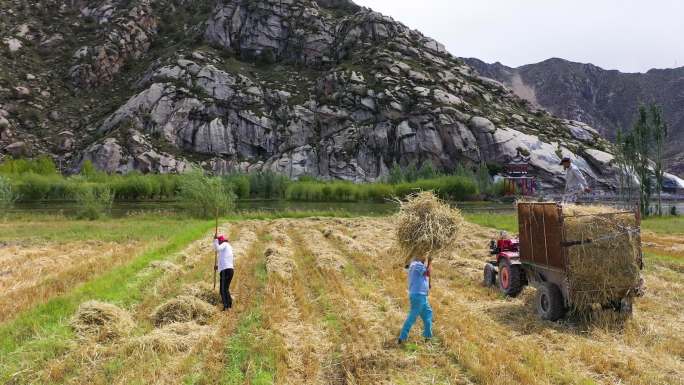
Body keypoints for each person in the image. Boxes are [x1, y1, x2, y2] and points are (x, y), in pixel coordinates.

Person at [398, 255, 433, 344]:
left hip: (422, 296)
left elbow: (426, 276)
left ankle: (428, 336)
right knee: (413, 316)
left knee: (428, 314)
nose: (425, 257)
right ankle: (402, 337)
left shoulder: (417, 265)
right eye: (424, 256)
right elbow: (427, 272)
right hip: (418, 295)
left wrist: (428, 285)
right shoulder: (416, 264)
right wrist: (430, 262)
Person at [214, 234, 234, 310]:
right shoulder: (227, 247)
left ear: (221, 241)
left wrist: (215, 240)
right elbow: (224, 259)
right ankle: (229, 304)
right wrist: (218, 267)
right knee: (225, 289)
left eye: (219, 242)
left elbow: (217, 249)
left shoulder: (225, 244)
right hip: (229, 270)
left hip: (226, 270)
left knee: (223, 289)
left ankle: (226, 306)